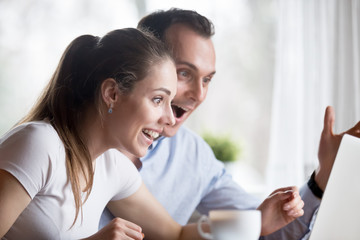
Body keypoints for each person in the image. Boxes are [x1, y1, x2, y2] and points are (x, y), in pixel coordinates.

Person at [0, 27, 305, 240]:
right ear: (112, 93)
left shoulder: (112, 167)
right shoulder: (39, 145)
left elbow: (177, 235)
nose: (169, 116)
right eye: (158, 99)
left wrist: (255, 223)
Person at [98, 8, 360, 239]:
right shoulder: (88, 147)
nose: (199, 95)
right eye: (184, 73)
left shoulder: (193, 156)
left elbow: (262, 231)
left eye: (207, 79)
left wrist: (321, 178)